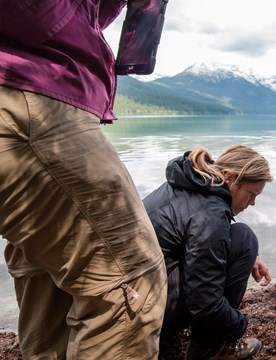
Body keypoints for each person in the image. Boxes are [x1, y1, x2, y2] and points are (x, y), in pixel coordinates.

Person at [0, 1, 167, 358]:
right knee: (130, 280)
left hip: (28, 88)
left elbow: (87, 12)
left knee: (47, 275)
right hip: (29, 89)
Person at [143, 145, 273, 360]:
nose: (252, 203)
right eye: (251, 194)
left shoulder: (190, 182)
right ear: (230, 178)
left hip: (136, 299)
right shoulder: (210, 213)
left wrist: (250, 256)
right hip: (148, 315)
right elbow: (204, 302)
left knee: (240, 239)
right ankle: (208, 349)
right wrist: (239, 325)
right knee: (245, 238)